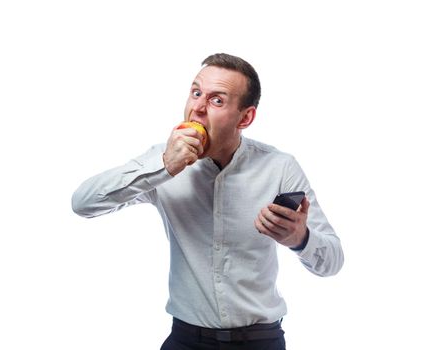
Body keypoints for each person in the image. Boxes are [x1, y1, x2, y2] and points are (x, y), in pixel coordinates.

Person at [72, 53, 344, 350]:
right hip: (185, 340)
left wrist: (299, 237)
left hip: (259, 341)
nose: (197, 108)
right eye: (196, 92)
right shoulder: (163, 161)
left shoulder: (279, 167)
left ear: (246, 117)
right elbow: (83, 203)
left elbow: (332, 262)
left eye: (217, 100)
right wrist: (163, 167)